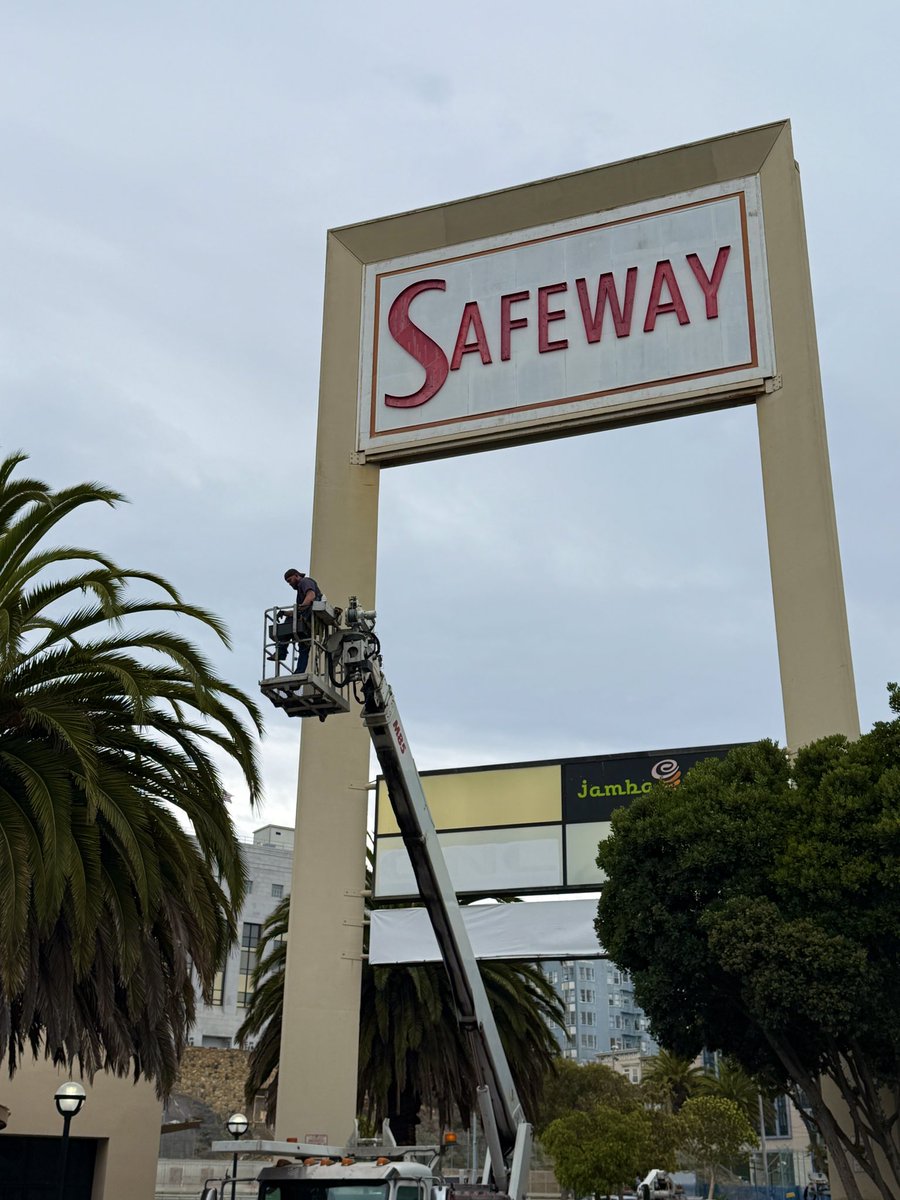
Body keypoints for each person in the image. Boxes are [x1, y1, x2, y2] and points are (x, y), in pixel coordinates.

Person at [276, 568, 323, 671]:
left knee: (288, 622)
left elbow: (311, 596)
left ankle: (281, 651)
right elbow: (299, 610)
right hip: (309, 623)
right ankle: (298, 675)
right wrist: (284, 612)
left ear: (297, 576)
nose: (289, 584)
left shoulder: (304, 582)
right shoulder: (300, 590)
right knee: (303, 650)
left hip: (308, 619)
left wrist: (294, 612)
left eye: (290, 580)